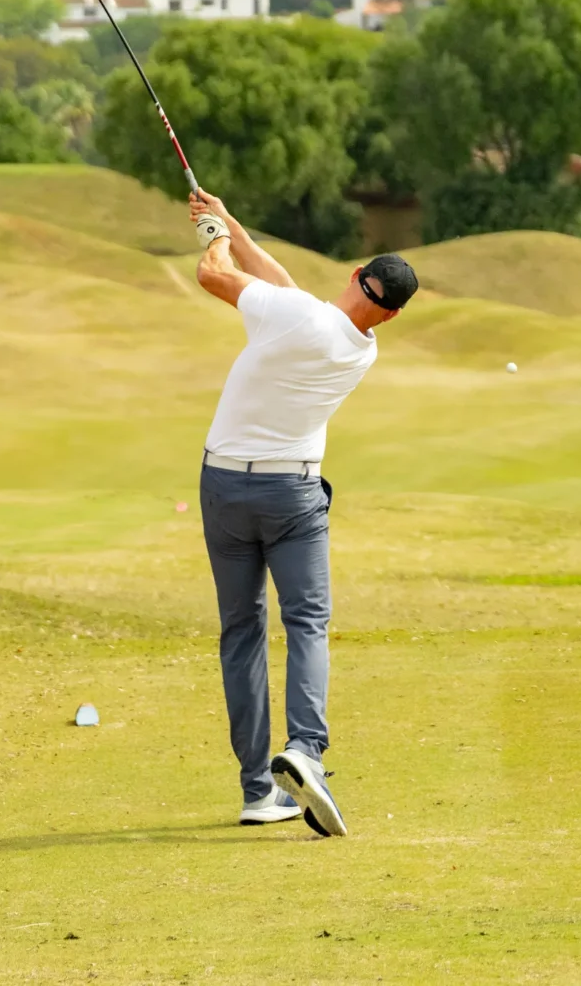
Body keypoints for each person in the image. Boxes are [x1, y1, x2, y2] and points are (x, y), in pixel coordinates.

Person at [187, 189, 419, 837]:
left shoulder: (297, 316)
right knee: (308, 620)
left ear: (353, 275)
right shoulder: (357, 345)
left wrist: (214, 235)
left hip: (225, 486)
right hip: (293, 495)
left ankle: (259, 788)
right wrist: (229, 216)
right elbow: (283, 288)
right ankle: (306, 751)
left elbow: (216, 273)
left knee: (242, 630)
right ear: (390, 313)